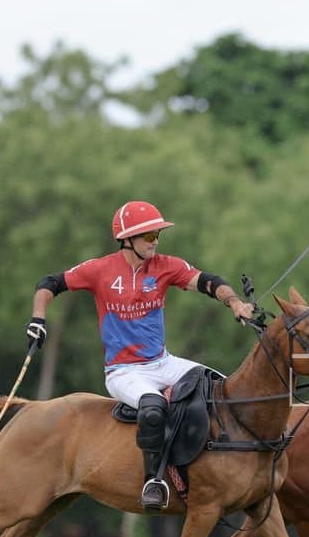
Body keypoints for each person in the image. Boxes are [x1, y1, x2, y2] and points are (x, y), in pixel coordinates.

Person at [28, 200, 256, 511]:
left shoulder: (166, 266)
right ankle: (154, 481)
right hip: (124, 371)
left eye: (157, 236)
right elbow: (49, 284)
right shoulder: (99, 270)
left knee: (220, 389)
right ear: (127, 239)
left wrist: (234, 303)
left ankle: (220, 466)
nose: (155, 242)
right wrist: (38, 319)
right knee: (153, 408)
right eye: (148, 237)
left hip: (163, 362)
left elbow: (208, 282)